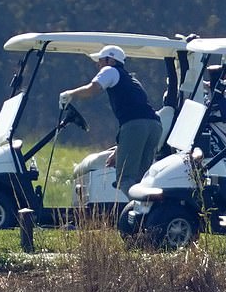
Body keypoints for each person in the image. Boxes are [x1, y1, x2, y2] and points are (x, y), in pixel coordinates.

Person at [59, 45, 162, 196]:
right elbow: (138, 114)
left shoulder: (110, 70)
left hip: (136, 126)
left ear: (110, 60)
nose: (98, 64)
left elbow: (92, 89)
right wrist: (120, 150)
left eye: (100, 60)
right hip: (154, 126)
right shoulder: (131, 79)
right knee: (142, 180)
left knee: (125, 179)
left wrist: (70, 94)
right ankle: (150, 214)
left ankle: (139, 211)